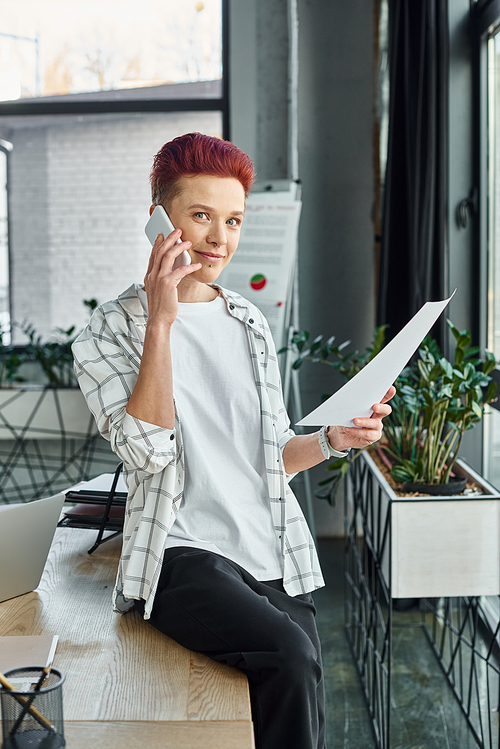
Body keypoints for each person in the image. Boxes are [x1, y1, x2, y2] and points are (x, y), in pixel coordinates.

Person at [72, 132, 394, 749]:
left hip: (267, 549)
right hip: (180, 554)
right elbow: (147, 453)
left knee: (301, 688)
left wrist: (333, 439)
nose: (220, 237)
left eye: (233, 220)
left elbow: (269, 459)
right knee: (290, 659)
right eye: (200, 216)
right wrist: (162, 321)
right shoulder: (108, 331)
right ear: (158, 223)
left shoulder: (249, 322)